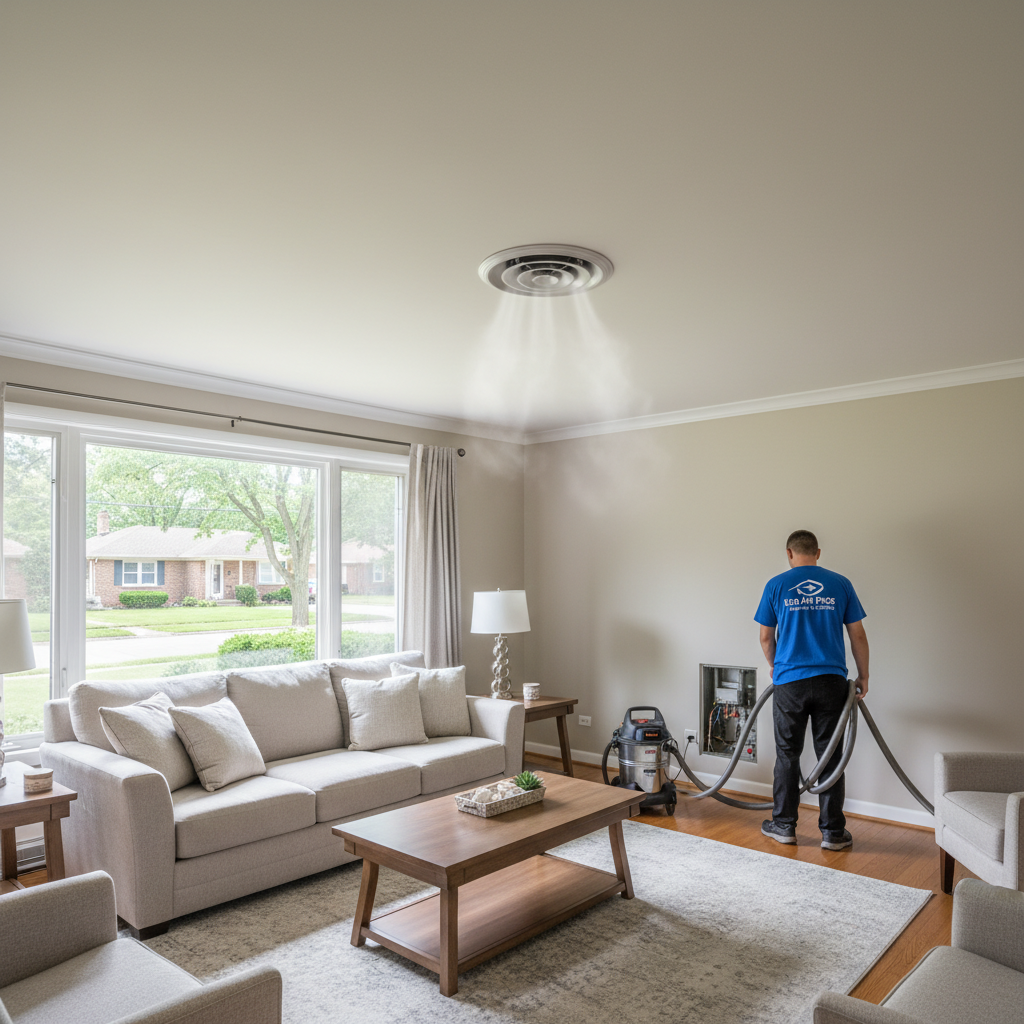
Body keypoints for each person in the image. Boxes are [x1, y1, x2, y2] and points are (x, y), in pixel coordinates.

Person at [754, 530, 869, 850]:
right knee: (830, 757)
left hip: (789, 682)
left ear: (789, 554)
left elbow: (766, 637)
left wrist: (776, 666)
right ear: (817, 552)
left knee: (787, 755)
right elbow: (857, 634)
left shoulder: (776, 585)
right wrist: (864, 675)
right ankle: (833, 833)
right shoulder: (840, 584)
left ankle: (784, 826)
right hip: (832, 682)